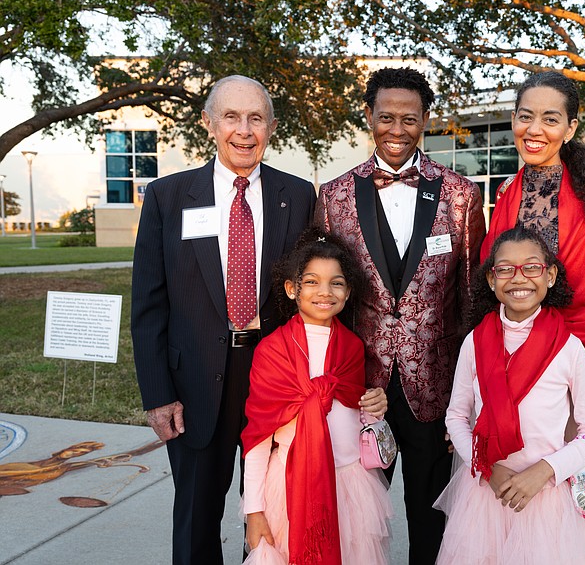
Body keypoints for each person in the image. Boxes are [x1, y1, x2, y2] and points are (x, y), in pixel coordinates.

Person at [131, 75, 316, 565]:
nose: (244, 130)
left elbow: (312, 294)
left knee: (271, 511)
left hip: (275, 379)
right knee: (196, 517)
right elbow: (148, 306)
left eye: (256, 118)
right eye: (231, 117)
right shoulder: (168, 198)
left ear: (271, 127)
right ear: (208, 123)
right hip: (192, 383)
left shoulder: (297, 196)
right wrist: (157, 395)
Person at [315, 67, 486, 565]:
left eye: (409, 119)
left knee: (430, 512)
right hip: (359, 385)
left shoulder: (460, 194)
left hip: (435, 382)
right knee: (357, 511)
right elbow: (325, 299)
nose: (396, 129)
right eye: (385, 117)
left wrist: (471, 388)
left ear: (425, 120)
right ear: (368, 116)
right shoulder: (334, 195)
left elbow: (472, 299)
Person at [481, 70, 585, 564]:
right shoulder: (510, 193)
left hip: (567, 370)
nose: (535, 129)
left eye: (550, 119)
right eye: (525, 116)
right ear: (512, 120)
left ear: (570, 128)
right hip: (507, 362)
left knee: (565, 495)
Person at [436, 226, 585, 564]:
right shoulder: (475, 342)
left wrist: (545, 470)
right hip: (486, 494)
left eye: (531, 267)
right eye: (505, 269)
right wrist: (486, 467)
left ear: (551, 274)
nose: (519, 278)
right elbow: (456, 416)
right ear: (491, 279)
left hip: (544, 498)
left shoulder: (570, 350)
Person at [241, 227, 392, 565]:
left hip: (350, 484)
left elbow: (355, 409)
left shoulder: (352, 347)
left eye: (336, 283)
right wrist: (254, 511)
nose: (325, 292)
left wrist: (374, 406)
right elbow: (258, 438)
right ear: (292, 289)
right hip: (290, 485)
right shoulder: (273, 350)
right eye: (311, 282)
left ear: (348, 291)